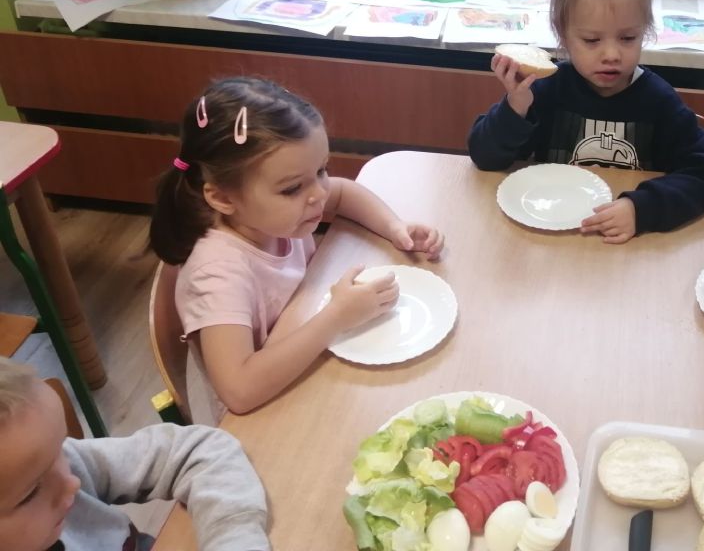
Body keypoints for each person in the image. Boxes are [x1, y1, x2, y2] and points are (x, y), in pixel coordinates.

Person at [149, 77, 444, 418]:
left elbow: (342, 193)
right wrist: (336, 317)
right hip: (268, 413)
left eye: (321, 170)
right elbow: (239, 390)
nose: (319, 193)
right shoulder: (216, 275)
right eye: (292, 189)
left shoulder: (273, 214)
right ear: (223, 198)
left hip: (308, 351)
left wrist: (394, 226)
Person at [467, 0, 704, 244]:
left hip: (629, 245)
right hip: (555, 238)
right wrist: (516, 108)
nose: (611, 54)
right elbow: (485, 158)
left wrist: (642, 209)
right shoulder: (546, 90)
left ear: (645, 32)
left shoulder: (659, 101)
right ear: (563, 35)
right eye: (592, 40)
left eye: (628, 38)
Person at [0, 356, 269, 551]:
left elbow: (197, 450)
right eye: (31, 492)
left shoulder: (62, 465)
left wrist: (232, 539)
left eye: (60, 445)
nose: (72, 483)